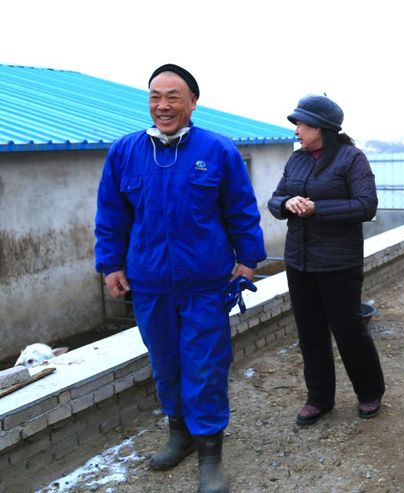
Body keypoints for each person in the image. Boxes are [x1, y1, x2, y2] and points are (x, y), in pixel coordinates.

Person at [95, 63, 266, 493]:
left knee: (205, 366)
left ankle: (210, 453)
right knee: (165, 363)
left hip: (205, 284)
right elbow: (111, 216)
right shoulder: (126, 151)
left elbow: (241, 209)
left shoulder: (218, 150)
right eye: (155, 96)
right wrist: (112, 265)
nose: (163, 105)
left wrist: (248, 260)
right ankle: (180, 433)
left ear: (193, 102)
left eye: (173, 96)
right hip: (149, 283)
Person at [268, 94, 385, 426]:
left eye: (301, 124)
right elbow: (275, 199)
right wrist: (287, 203)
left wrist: (317, 208)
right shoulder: (296, 160)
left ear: (320, 127)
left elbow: (366, 205)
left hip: (339, 263)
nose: (296, 130)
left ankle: (370, 391)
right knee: (310, 333)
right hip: (299, 261)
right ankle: (319, 398)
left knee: (349, 331)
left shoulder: (352, 159)